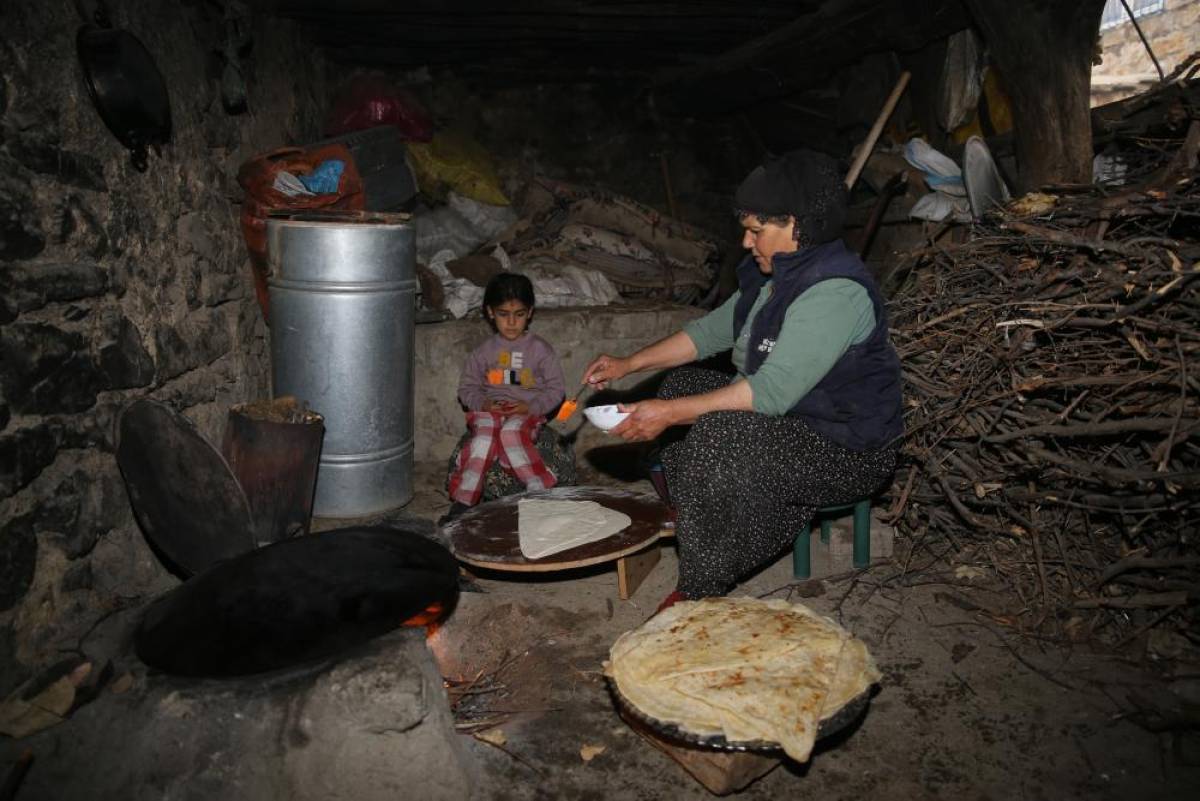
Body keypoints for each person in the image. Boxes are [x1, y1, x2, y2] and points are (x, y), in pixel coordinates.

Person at [582, 150, 902, 610]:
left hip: (846, 448)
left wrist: (668, 416)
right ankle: (698, 512)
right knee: (679, 386)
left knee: (718, 430)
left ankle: (699, 586)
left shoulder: (834, 292)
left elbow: (769, 393)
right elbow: (708, 333)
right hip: (796, 421)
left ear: (796, 225)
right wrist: (629, 364)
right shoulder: (775, 276)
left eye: (757, 231)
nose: (747, 242)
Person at [444, 273, 566, 521]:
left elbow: (556, 390)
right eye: (503, 314)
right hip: (490, 411)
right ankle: (463, 502)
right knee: (482, 442)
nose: (511, 322)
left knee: (510, 434)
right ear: (490, 312)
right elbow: (467, 388)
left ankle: (539, 492)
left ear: (530, 312)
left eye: (519, 314)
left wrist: (530, 406)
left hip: (525, 414)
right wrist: (484, 403)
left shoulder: (541, 350)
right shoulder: (483, 353)